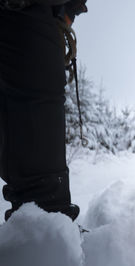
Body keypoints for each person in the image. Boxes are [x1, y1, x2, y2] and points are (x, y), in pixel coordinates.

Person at [0, 0, 87, 221]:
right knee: (38, 96)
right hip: (26, 12)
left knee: (40, 96)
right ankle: (44, 222)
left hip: (39, 11)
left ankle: (44, 222)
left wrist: (68, 11)